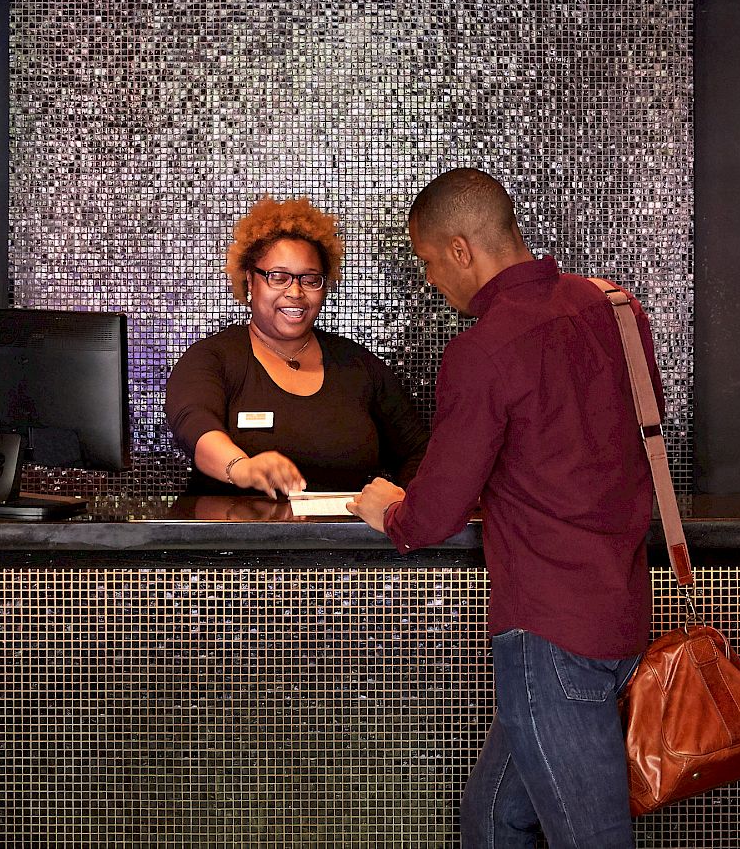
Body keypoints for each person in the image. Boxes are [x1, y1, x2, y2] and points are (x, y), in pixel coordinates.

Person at [349, 169, 658, 849]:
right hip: (623, 614)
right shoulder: (615, 308)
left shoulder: (483, 351)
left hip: (551, 637)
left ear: (462, 249)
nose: (431, 280)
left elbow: (433, 515)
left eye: (428, 262)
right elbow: (625, 443)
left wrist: (388, 510)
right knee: (492, 819)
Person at [166, 195, 428, 498]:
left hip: (344, 541)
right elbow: (194, 424)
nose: (295, 291)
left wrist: (406, 505)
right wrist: (241, 467)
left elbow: (418, 453)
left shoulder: (357, 366)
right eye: (278, 277)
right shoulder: (213, 358)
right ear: (250, 281)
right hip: (233, 541)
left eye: (310, 279)